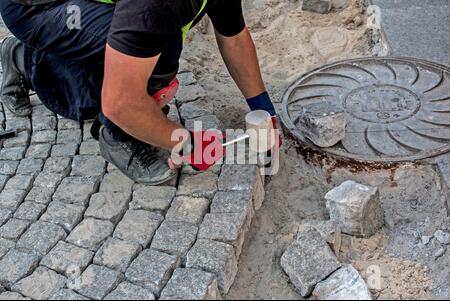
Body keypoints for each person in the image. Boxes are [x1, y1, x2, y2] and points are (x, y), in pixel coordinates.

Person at [0, 0, 280, 185]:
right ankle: (118, 137)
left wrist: (264, 109)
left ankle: (30, 57)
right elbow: (120, 104)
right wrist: (185, 142)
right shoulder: (151, 6)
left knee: (147, 44)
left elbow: (233, 35)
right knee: (153, 53)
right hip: (35, 7)